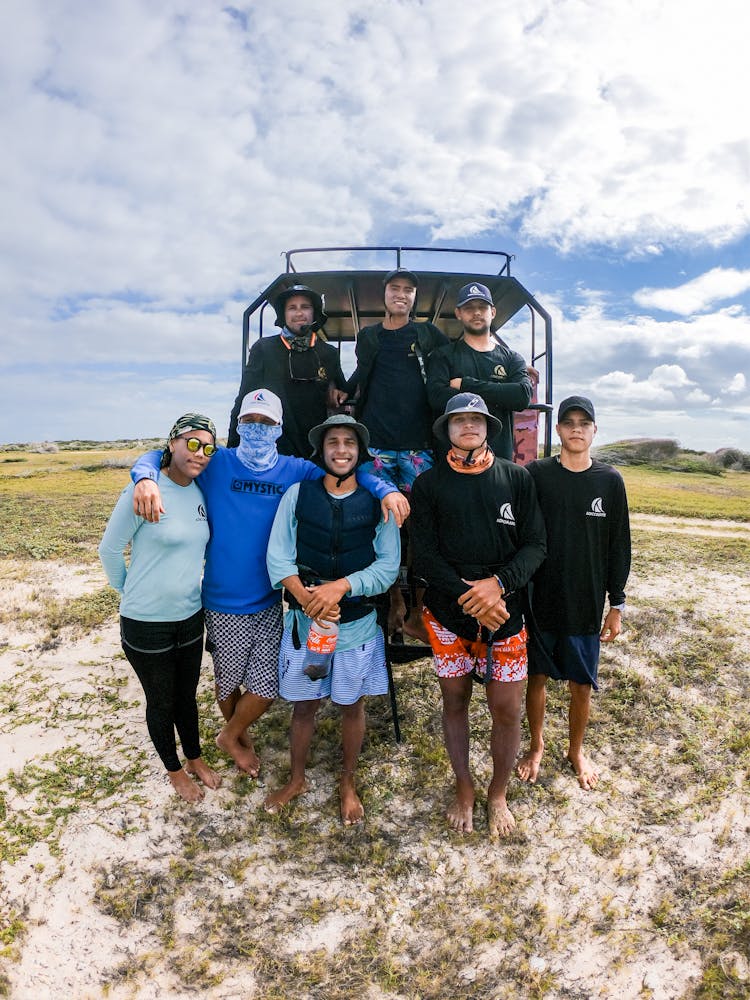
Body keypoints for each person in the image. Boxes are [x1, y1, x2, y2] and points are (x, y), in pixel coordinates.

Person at [130, 389, 408, 779]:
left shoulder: (296, 471)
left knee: (265, 682)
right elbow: (163, 455)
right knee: (228, 678)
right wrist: (144, 477)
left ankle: (231, 734)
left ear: (280, 428)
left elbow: (347, 471)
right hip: (222, 596)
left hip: (271, 595)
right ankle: (238, 739)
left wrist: (385, 488)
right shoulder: (218, 462)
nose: (258, 429)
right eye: (250, 421)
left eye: (267, 423)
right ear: (239, 424)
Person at [410, 393, 546, 837]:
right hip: (450, 614)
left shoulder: (516, 478)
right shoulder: (428, 484)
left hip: (505, 612)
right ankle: (464, 787)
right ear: (447, 429)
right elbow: (424, 557)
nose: (468, 426)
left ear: (489, 427)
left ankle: (498, 793)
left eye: (476, 419)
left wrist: (498, 587)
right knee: (455, 702)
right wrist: (472, 597)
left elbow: (535, 545)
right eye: (458, 420)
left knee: (506, 710)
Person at [264, 415, 400, 824]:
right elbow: (278, 554)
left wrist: (340, 588)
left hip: (356, 626)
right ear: (322, 451)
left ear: (359, 452)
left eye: (349, 443)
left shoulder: (378, 503)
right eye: (333, 443)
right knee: (304, 706)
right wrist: (307, 597)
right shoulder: (298, 494)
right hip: (308, 625)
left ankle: (347, 781)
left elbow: (387, 566)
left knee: (350, 705)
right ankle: (297, 778)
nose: (341, 450)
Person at [98, 414, 222, 803]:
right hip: (146, 621)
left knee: (187, 695)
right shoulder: (143, 490)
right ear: (172, 444)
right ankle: (174, 770)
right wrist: (127, 590)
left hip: (190, 615)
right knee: (162, 699)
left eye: (207, 447)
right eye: (191, 443)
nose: (199, 453)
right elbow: (109, 550)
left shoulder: (201, 491)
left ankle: (195, 757)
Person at [517, 395, 631, 790]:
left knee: (582, 685)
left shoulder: (610, 481)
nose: (577, 428)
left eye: (585, 422)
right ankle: (536, 746)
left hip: (585, 601)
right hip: (539, 598)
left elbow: (620, 546)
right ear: (558, 430)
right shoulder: (536, 475)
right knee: (538, 677)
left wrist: (616, 605)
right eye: (569, 422)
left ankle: (576, 750)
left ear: (595, 430)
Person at [346, 267, 449, 639]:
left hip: (418, 447)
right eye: (395, 289)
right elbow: (361, 374)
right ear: (384, 295)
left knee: (422, 524)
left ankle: (419, 608)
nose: (401, 294)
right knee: (382, 523)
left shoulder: (428, 334)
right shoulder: (369, 336)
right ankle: (392, 599)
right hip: (376, 446)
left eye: (408, 289)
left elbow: (453, 363)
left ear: (414, 298)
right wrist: (338, 390)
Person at [227, 285, 348, 457]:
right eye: (292, 308)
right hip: (272, 449)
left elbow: (344, 391)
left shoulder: (329, 353)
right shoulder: (263, 348)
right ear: (283, 314)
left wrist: (339, 394)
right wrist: (232, 451)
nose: (299, 313)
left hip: (314, 449)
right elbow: (243, 400)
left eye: (305, 307)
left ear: (314, 312)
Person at [427, 281, 533, 461]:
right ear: (458, 314)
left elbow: (521, 396)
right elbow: (436, 398)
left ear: (492, 312)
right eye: (469, 308)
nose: (476, 312)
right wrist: (500, 394)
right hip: (451, 463)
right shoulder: (442, 356)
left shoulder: (512, 358)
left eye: (482, 307)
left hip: (499, 461)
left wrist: (466, 384)